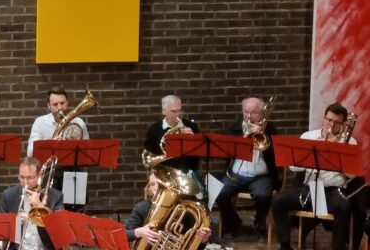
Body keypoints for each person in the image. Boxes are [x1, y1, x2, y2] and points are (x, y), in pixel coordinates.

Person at [271, 103, 358, 250]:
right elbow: (293, 166)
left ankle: (338, 247)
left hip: (333, 191)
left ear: (343, 125)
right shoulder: (308, 136)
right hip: (309, 188)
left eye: (337, 123)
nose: (331, 125)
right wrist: (311, 158)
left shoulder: (350, 142)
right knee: (278, 200)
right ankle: (285, 245)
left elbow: (352, 175)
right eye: (329, 120)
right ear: (323, 119)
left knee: (344, 207)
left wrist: (337, 148)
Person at [215, 97, 279, 241]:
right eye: (246, 112)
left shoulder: (270, 130)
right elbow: (225, 153)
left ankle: (260, 224)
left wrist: (264, 138)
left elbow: (277, 157)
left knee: (263, 195)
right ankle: (232, 222)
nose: (249, 116)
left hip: (261, 176)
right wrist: (244, 139)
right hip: (236, 174)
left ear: (262, 113)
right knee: (219, 193)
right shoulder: (234, 128)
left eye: (253, 112)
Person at [26, 86, 90, 212]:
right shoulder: (40, 122)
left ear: (68, 103)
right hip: (50, 171)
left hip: (73, 170)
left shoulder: (79, 123)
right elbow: (30, 151)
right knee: (51, 206)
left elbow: (86, 151)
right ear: (48, 106)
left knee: (74, 208)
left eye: (62, 103)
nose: (59, 108)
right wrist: (51, 143)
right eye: (55, 104)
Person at [124, 174, 212, 247]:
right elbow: (124, 234)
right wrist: (139, 232)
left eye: (160, 184)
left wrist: (201, 239)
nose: (156, 187)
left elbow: (194, 246)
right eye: (152, 184)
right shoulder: (141, 208)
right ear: (149, 187)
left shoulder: (186, 211)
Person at [0, 157, 63, 250]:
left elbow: (60, 234)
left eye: (30, 178)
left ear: (40, 175)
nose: (25, 182)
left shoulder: (56, 196)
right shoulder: (8, 196)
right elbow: (0, 231)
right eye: (21, 177)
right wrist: (16, 224)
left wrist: (39, 206)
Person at [143, 95, 201, 173]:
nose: (178, 114)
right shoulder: (154, 129)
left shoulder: (191, 126)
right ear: (164, 111)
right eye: (173, 111)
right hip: (163, 173)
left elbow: (198, 154)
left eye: (179, 110)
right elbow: (150, 153)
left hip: (187, 173)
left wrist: (193, 139)